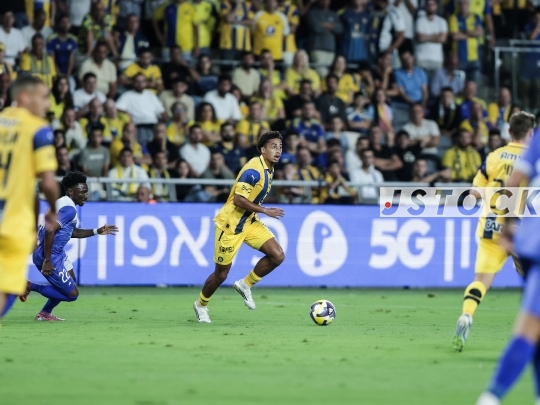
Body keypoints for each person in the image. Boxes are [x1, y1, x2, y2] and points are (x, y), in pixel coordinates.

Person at [452, 111, 536, 353]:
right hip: (521, 230)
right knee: (535, 284)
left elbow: (474, 194)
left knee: (481, 282)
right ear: (531, 133)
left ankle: (467, 315)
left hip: (491, 227)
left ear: (509, 132)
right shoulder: (533, 157)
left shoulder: (493, 157)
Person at [474, 114, 540, 405]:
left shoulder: (536, 143)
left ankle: (492, 397)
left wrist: (510, 226)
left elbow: (512, 185)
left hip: (533, 241)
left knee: (531, 329)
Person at [193, 131, 285, 323]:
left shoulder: (269, 168)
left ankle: (245, 284)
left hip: (249, 221)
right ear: (263, 149)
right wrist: (265, 210)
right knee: (221, 274)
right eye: (273, 147)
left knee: (277, 255)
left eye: (280, 147)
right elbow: (238, 200)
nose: (278, 151)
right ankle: (201, 305)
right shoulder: (253, 170)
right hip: (230, 225)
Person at [19, 172, 117, 321]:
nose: (86, 195)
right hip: (50, 254)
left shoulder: (62, 203)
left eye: (87, 192)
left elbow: (72, 232)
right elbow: (50, 230)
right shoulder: (69, 210)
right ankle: (29, 285)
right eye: (82, 192)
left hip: (55, 252)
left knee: (70, 281)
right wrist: (47, 260)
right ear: (70, 191)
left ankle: (45, 313)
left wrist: (97, 231)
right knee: (72, 294)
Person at [0, 76, 59, 319]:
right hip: (11, 225)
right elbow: (47, 183)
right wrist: (53, 209)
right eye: (43, 97)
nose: (47, 104)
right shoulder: (37, 129)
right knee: (5, 292)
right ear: (25, 98)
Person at [115, 73, 167, 145]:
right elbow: (117, 108)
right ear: (133, 82)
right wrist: (126, 112)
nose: (140, 84)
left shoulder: (151, 95)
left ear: (145, 83)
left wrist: (165, 118)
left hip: (153, 125)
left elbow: (161, 111)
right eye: (137, 81)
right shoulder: (127, 95)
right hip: (138, 124)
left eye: (142, 81)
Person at [306, 0, 343, 78]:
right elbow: (316, 28)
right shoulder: (313, 13)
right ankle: (330, 82)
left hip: (331, 49)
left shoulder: (333, 14)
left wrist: (324, 24)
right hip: (317, 48)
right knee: (321, 72)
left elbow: (340, 29)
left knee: (328, 71)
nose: (325, 2)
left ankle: (330, 82)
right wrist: (331, 26)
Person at [448, 0, 483, 82]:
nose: (463, 6)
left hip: (474, 57)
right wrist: (472, 33)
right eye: (461, 3)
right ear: (458, 6)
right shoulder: (454, 18)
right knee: (459, 84)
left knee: (473, 84)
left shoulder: (476, 17)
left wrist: (464, 32)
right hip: (459, 58)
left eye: (465, 3)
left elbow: (480, 32)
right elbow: (455, 36)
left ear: (469, 5)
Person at [414, 0, 448, 73]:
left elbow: (443, 39)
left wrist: (426, 36)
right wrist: (436, 36)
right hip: (421, 59)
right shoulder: (420, 21)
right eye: (428, 5)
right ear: (425, 7)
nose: (430, 7)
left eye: (432, 4)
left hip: (437, 59)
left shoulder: (442, 21)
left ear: (436, 6)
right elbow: (420, 38)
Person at [47, 15, 78, 81]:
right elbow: (52, 60)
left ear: (70, 25)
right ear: (58, 24)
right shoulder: (52, 39)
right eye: (63, 22)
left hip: (69, 74)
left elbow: (72, 59)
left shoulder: (73, 39)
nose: (65, 25)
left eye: (67, 22)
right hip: (54, 73)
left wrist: (67, 76)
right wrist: (59, 75)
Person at [339, 0, 370, 64]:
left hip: (362, 55)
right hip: (347, 53)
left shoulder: (368, 16)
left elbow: (368, 35)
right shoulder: (345, 15)